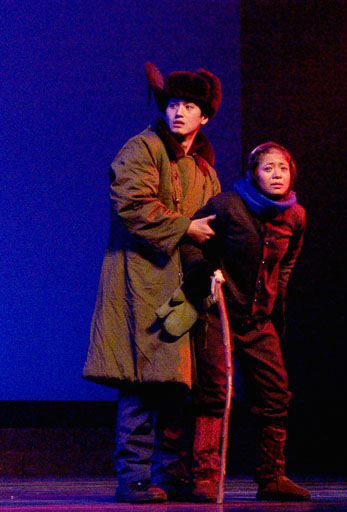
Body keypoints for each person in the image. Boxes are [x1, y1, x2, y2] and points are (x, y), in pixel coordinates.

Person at [82, 62, 222, 503]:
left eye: (190, 106)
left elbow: (214, 224)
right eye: (173, 103)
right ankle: (134, 479)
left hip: (183, 289)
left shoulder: (203, 170)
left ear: (205, 117)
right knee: (140, 381)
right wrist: (185, 227)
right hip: (141, 283)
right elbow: (132, 203)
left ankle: (171, 474)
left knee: (176, 384)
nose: (179, 112)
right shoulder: (143, 148)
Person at [180, 141, 311, 502]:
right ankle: (205, 476)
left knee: (275, 392)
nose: (276, 175)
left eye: (282, 168)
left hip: (258, 321)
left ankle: (271, 477)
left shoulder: (295, 215)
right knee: (214, 394)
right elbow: (191, 239)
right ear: (254, 173)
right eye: (268, 168)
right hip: (218, 313)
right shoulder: (227, 205)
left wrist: (276, 297)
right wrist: (201, 270)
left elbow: (287, 261)